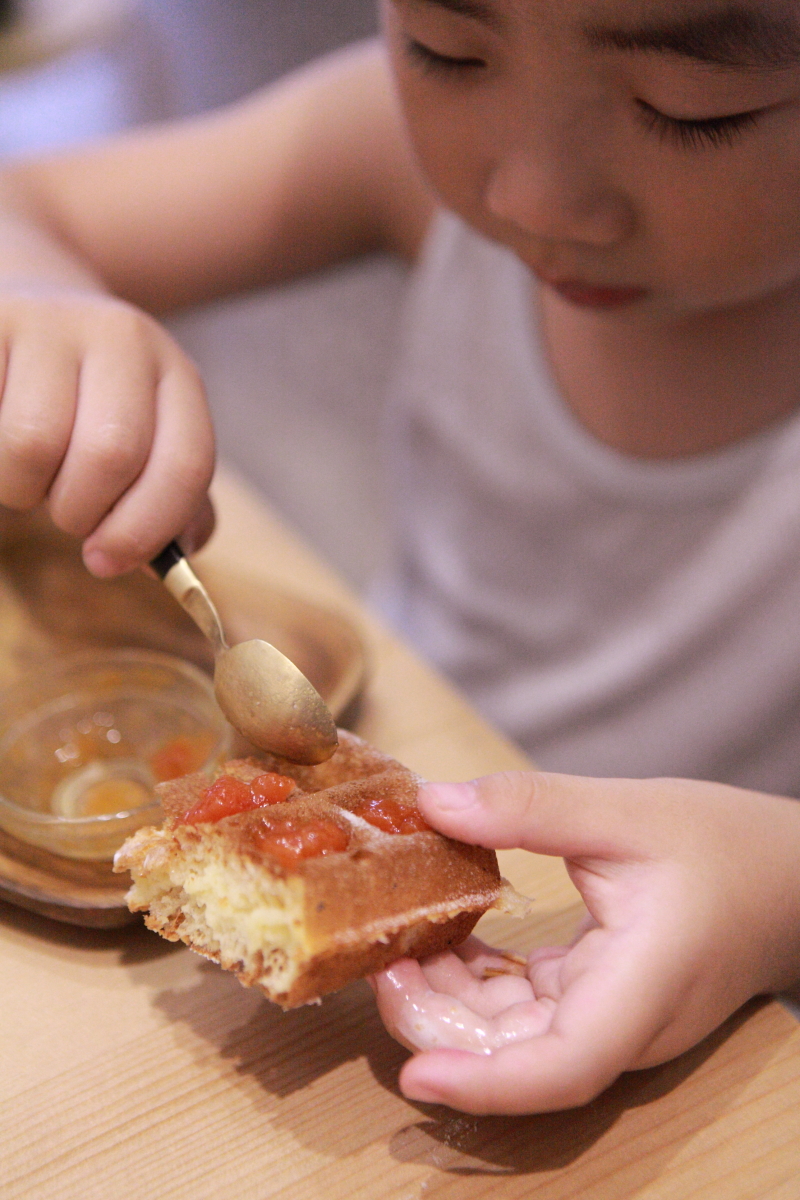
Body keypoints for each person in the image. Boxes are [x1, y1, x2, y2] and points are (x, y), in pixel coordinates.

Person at [1, 0, 800, 1113]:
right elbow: (23, 201)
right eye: (446, 50)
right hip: (398, 739)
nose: (531, 197)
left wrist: (778, 887)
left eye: (693, 109)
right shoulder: (382, 140)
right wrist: (40, 301)